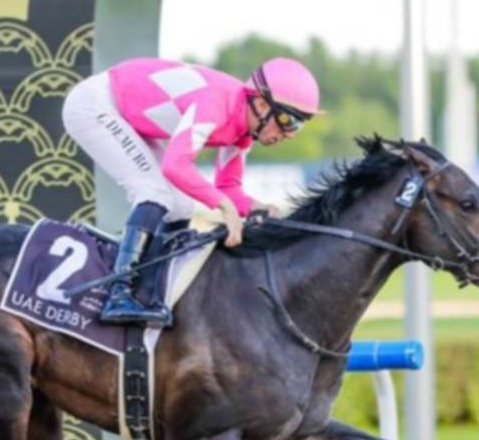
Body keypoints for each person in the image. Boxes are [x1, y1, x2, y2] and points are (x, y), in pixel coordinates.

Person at [61, 56, 322, 326]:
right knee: (154, 192)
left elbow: (228, 188)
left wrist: (259, 207)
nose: (290, 133)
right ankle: (118, 293)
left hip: (124, 115)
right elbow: (176, 165)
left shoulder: (244, 132)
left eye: (299, 124)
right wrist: (223, 206)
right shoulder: (218, 104)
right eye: (288, 120)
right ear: (261, 104)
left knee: (181, 205)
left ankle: (153, 292)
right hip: (95, 105)